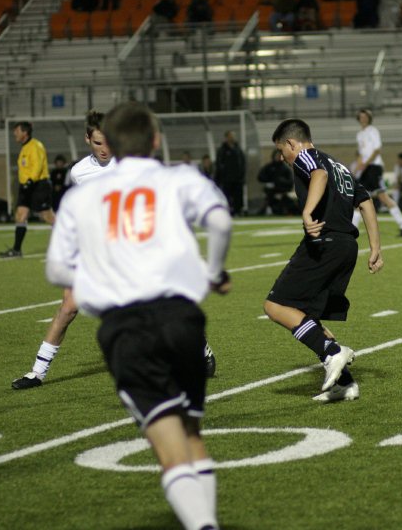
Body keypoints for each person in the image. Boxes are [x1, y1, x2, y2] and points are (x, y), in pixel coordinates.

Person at [45, 101, 232, 529]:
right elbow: (219, 222)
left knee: (169, 447)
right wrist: (215, 272)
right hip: (182, 319)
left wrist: (97, 283)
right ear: (156, 140)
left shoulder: (81, 196)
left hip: (125, 325)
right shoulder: (179, 178)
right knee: (190, 434)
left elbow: (57, 268)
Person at [265, 118, 383, 402]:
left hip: (324, 242)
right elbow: (365, 201)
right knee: (308, 316)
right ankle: (344, 383)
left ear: (293, 143)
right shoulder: (339, 164)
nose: (282, 157)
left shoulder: (307, 157)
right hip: (346, 247)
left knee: (276, 305)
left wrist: (307, 212)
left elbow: (318, 175)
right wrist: (375, 246)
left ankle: (332, 353)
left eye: (283, 151)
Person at [12, 112, 118, 390]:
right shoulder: (79, 172)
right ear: (87, 139)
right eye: (97, 142)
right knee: (68, 307)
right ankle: (37, 372)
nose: (104, 148)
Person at [0, 121, 55, 258]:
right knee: (20, 215)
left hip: (38, 185)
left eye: (17, 131)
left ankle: (70, 242)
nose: (15, 134)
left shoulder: (36, 146)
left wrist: (30, 181)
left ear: (25, 132)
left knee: (47, 216)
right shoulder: (25, 147)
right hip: (26, 187)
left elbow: (38, 165)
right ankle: (17, 250)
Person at [352, 109, 402, 236]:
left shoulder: (373, 131)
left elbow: (377, 150)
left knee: (382, 197)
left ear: (369, 118)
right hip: (366, 169)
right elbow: (361, 154)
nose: (363, 119)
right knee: (360, 198)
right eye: (361, 117)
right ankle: (352, 229)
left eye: (365, 116)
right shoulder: (359, 134)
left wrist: (365, 164)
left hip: (374, 167)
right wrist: (357, 168)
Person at [214, 130, 246, 216]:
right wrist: (221, 176)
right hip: (227, 179)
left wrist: (242, 176)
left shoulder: (238, 149)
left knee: (238, 197)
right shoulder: (222, 150)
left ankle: (238, 212)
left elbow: (242, 163)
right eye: (231, 136)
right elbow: (219, 164)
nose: (232, 138)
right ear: (227, 137)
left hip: (237, 179)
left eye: (233, 136)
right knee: (226, 197)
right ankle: (227, 212)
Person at [257, 149, 297, 215]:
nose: (278, 157)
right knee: (270, 200)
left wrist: (280, 182)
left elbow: (290, 182)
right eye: (277, 156)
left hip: (282, 192)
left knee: (286, 203)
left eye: (279, 156)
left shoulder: (285, 168)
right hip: (271, 192)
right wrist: (269, 181)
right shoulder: (269, 167)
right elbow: (260, 177)